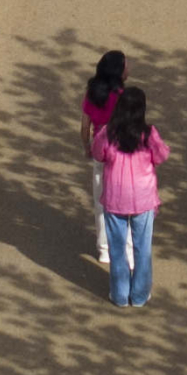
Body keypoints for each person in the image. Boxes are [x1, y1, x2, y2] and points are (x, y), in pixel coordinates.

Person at [91, 86, 170, 308]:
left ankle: (119, 294)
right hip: (143, 199)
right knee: (142, 248)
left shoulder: (108, 133)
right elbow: (162, 155)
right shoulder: (148, 134)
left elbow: (98, 153)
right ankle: (139, 295)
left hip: (116, 198)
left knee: (117, 248)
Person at [81, 50, 129, 263]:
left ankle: (104, 248)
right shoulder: (122, 97)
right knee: (125, 200)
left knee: (100, 199)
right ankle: (125, 247)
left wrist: (87, 147)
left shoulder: (92, 93)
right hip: (121, 152)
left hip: (100, 151)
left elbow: (84, 126)